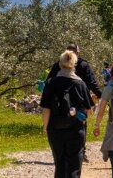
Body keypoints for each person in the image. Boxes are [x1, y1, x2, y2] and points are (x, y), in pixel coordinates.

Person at [40, 50, 93, 178]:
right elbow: (89, 110)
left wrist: (45, 127)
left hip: (55, 129)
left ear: (60, 64)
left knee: (59, 164)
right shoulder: (80, 84)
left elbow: (46, 109)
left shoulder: (51, 83)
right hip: (76, 130)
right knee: (74, 166)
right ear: (74, 64)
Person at [47, 43, 102, 163]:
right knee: (80, 125)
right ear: (78, 52)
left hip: (61, 102)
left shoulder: (59, 65)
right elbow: (91, 82)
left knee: (60, 123)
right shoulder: (83, 65)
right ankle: (80, 151)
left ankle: (64, 152)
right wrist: (101, 95)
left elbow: (49, 81)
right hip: (79, 100)